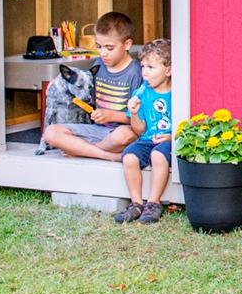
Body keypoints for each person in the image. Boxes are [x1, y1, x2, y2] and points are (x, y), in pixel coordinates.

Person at [42, 11, 141, 161]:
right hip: (97, 130)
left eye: (109, 48)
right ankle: (108, 155)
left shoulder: (136, 72)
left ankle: (81, 149)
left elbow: (141, 120)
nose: (103, 53)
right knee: (51, 133)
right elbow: (84, 94)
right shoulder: (98, 65)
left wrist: (111, 115)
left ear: (127, 44)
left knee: (122, 136)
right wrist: (57, 85)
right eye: (99, 47)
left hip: (123, 130)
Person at [113, 39, 173, 224]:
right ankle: (136, 204)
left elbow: (188, 123)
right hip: (147, 138)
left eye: (151, 67)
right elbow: (139, 130)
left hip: (169, 141)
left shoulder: (178, 92)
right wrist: (133, 113)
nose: (145, 72)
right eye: (143, 66)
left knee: (157, 156)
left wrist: (172, 136)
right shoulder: (142, 91)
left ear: (168, 70)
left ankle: (153, 203)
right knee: (129, 156)